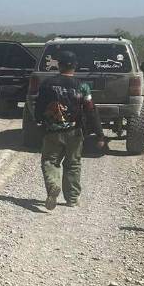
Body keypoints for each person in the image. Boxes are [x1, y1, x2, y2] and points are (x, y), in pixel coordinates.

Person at [34, 50, 106, 210]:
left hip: (52, 131)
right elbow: (91, 110)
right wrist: (100, 133)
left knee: (49, 161)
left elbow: (38, 106)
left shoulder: (47, 84)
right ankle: (72, 199)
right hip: (75, 132)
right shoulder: (83, 86)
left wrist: (39, 122)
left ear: (58, 65)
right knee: (73, 164)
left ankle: (53, 185)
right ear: (75, 66)